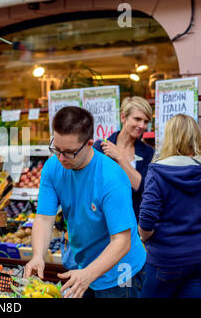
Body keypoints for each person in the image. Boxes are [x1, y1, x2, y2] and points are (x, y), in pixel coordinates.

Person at [24, 106, 146, 298]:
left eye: (69, 152)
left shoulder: (111, 178)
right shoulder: (52, 166)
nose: (61, 157)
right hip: (83, 266)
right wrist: (38, 255)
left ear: (89, 144)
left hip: (122, 272)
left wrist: (88, 274)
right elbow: (44, 218)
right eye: (57, 149)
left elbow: (122, 242)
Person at [139, 114, 201, 298]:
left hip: (165, 260)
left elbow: (146, 223)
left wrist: (145, 237)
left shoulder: (158, 171)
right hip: (197, 258)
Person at [93, 96, 154, 221]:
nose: (142, 125)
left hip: (134, 220)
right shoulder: (100, 147)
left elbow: (142, 188)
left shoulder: (148, 152)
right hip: (104, 220)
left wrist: (120, 158)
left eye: (146, 121)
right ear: (123, 117)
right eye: (137, 119)